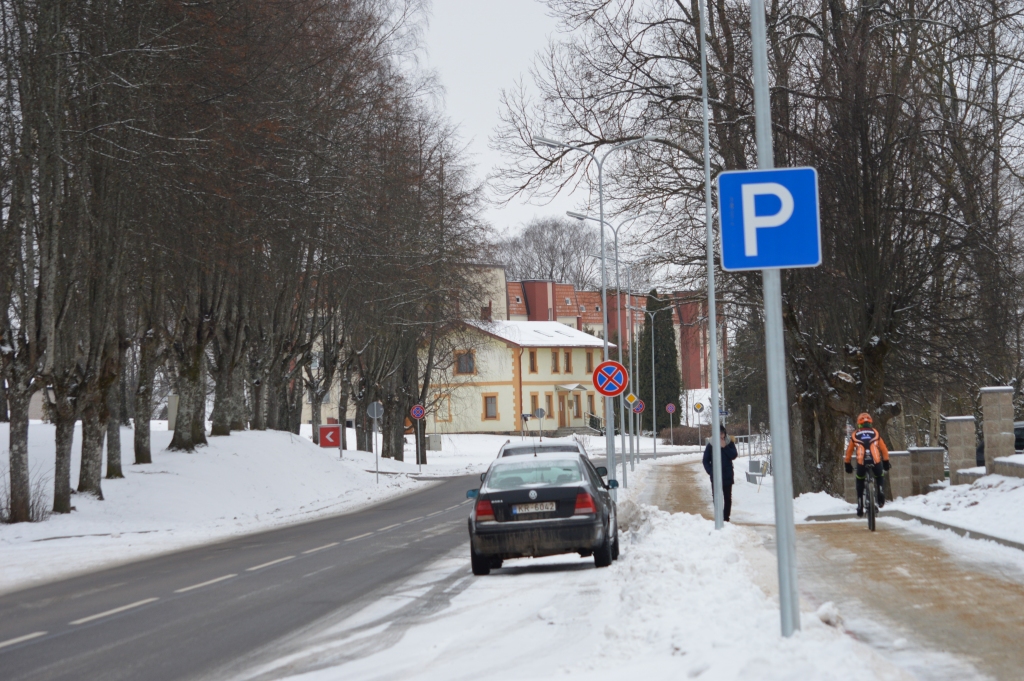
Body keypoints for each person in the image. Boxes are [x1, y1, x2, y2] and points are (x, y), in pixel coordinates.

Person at [843, 412, 891, 517]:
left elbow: (849, 452)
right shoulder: (875, 433)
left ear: (859, 424)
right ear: (870, 423)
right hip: (876, 461)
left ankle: (860, 504)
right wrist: (886, 462)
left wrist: (847, 464)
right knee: (879, 476)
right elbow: (884, 449)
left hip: (861, 462)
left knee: (860, 479)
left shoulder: (855, 434)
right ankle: (881, 492)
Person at [703, 425, 739, 522]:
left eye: (722, 433)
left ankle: (726, 518)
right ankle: (719, 516)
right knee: (716, 497)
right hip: (715, 476)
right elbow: (705, 460)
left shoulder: (729, 442)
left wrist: (725, 447)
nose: (720, 436)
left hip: (727, 475)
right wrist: (711, 471)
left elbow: (734, 455)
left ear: (724, 433)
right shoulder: (711, 444)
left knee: (727, 498)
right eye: (718, 434)